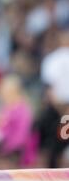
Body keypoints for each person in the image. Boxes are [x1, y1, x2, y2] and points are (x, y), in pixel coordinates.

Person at [38, 29, 69, 167]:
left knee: (55, 146)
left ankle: (52, 177)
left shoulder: (51, 59)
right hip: (61, 108)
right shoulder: (52, 59)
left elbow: (48, 89)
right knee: (58, 143)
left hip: (59, 108)